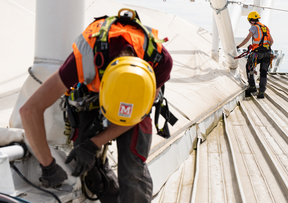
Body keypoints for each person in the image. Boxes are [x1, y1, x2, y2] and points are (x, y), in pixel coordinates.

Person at [19, 9, 173, 203]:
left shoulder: (159, 61)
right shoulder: (85, 59)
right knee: (85, 164)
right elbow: (29, 110)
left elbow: (138, 115)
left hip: (138, 102)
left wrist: (94, 144)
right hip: (92, 97)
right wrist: (47, 164)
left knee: (133, 169)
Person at [236, 11, 274, 99]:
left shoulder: (254, 27)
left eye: (249, 21)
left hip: (257, 53)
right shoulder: (266, 27)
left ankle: (252, 87)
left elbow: (247, 39)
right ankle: (261, 92)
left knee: (249, 67)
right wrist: (265, 48)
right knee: (263, 72)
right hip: (267, 53)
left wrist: (238, 46)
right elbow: (271, 41)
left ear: (251, 20)